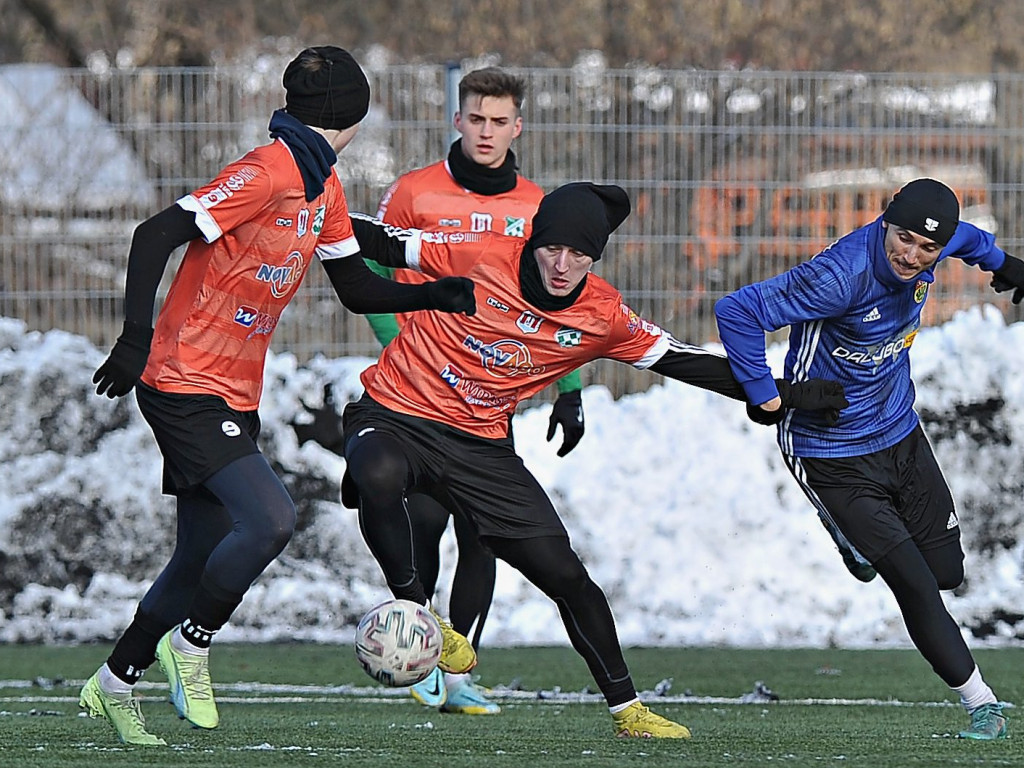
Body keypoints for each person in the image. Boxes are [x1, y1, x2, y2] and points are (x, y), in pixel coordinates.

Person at [338, 182, 849, 738]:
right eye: (552, 249)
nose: (562, 265)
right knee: (377, 472)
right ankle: (420, 611)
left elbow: (685, 362)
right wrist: (306, 210)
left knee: (569, 577)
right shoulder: (477, 252)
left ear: (595, 257)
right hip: (395, 411)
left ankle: (628, 710)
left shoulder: (602, 315)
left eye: (579, 254)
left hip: (479, 445)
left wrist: (788, 394)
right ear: (533, 240)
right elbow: (376, 241)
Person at [78, 45, 476, 747]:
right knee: (269, 520)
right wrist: (136, 339)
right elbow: (155, 234)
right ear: (350, 116)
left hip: (232, 391)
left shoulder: (323, 185)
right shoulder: (268, 171)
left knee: (199, 556)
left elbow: (354, 286)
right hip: (181, 382)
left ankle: (114, 683)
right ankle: (192, 645)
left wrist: (432, 292)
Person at [714, 178, 1021, 740]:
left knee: (946, 574)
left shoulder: (939, 242)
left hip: (899, 432)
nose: (911, 255)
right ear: (885, 223)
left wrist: (1007, 265)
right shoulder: (839, 278)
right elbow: (737, 310)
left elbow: (971, 239)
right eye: (902, 238)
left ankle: (860, 542)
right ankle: (982, 704)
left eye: (926, 248)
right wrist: (766, 395)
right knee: (914, 584)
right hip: (829, 450)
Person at [360, 66, 581, 716]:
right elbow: (371, 268)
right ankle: (423, 649)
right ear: (458, 120)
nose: (486, 131)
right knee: (424, 523)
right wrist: (399, 344)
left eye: (499, 121)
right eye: (476, 118)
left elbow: (560, 297)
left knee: (483, 532)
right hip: (420, 399)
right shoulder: (414, 194)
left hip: (490, 400)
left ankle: (460, 676)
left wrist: (569, 387)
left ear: (518, 126)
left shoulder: (537, 206)